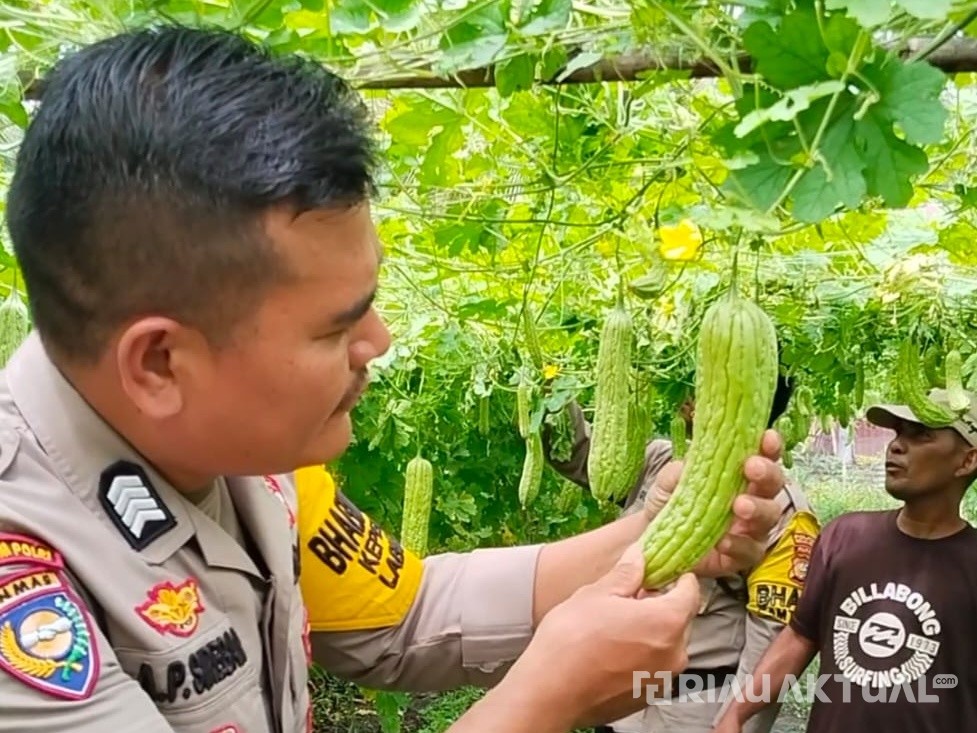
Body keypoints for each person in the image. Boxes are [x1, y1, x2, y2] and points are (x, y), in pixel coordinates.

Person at [0, 25, 790, 733]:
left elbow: (404, 614)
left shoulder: (259, 468)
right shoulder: (18, 575)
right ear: (160, 363)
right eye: (338, 325)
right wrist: (542, 701)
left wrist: (655, 533)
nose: (377, 341)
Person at [543, 375, 820, 733]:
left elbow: (773, 638)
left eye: (704, 384)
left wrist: (739, 721)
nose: (688, 398)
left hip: (695, 712)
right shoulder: (659, 459)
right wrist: (551, 384)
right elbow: (579, 454)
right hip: (621, 700)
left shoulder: (780, 508)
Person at [713, 388, 977, 733]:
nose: (896, 445)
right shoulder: (845, 536)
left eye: (921, 435)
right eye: (898, 433)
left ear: (968, 460)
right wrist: (736, 713)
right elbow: (799, 638)